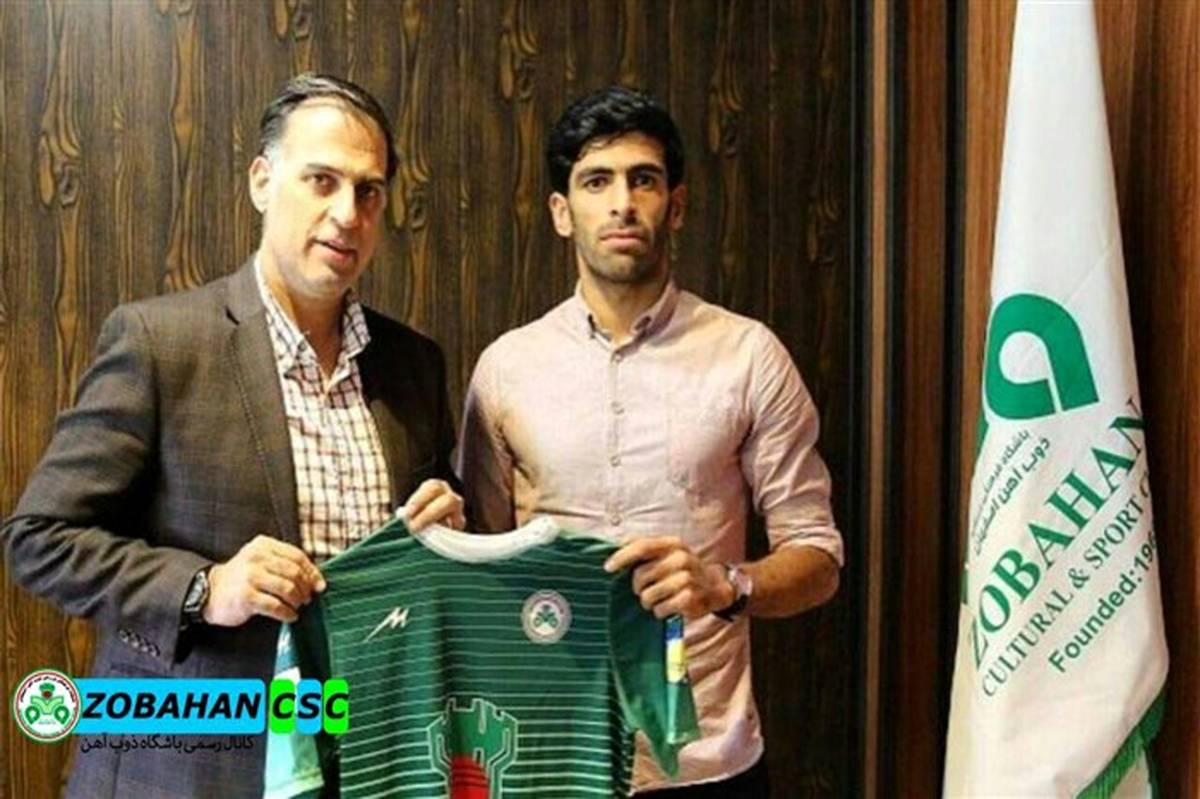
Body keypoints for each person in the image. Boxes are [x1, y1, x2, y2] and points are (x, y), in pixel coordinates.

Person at [3, 73, 463, 798]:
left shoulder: (413, 366)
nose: (347, 213)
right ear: (261, 181)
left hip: (369, 758)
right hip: (192, 765)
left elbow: (434, 555)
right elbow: (39, 539)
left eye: (368, 191)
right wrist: (205, 588)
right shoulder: (160, 341)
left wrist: (451, 533)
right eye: (321, 180)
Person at [457, 85, 844, 797]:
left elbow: (818, 560)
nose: (622, 204)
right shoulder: (505, 369)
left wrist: (726, 585)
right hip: (548, 757)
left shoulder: (748, 356)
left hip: (706, 765)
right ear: (561, 212)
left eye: (644, 180)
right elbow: (480, 566)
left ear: (678, 204)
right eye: (596, 182)